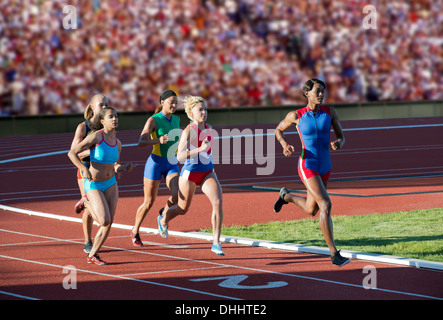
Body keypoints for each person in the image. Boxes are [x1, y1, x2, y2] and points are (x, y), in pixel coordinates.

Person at [273, 78, 350, 267]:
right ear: (307, 93)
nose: (322, 94)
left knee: (311, 209)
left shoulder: (330, 113)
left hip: (325, 165)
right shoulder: (296, 115)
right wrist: (284, 145)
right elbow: (278, 130)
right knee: (325, 204)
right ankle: (334, 254)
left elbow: (341, 136)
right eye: (318, 91)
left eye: (323, 91)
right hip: (307, 164)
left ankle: (286, 197)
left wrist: (339, 143)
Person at [158, 95, 225, 256]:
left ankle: (216, 242)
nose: (204, 112)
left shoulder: (208, 127)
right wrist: (199, 150)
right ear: (191, 112)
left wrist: (205, 153)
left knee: (217, 201)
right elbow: (179, 156)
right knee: (182, 209)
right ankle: (163, 219)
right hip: (189, 174)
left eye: (205, 109)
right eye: (200, 110)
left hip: (208, 171)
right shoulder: (188, 131)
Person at [68, 106, 133, 265]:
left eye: (116, 116)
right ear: (102, 121)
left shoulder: (118, 143)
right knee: (104, 220)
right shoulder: (97, 137)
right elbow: (72, 153)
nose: (115, 119)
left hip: (111, 183)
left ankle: (93, 255)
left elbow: (114, 165)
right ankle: (87, 202)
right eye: (111, 117)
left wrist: (123, 168)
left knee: (109, 223)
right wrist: (83, 168)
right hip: (94, 184)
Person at [131, 90, 180, 247]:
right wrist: (157, 140)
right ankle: (135, 231)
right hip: (155, 163)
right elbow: (140, 142)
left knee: (177, 196)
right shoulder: (153, 120)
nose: (173, 105)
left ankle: (163, 215)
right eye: (170, 102)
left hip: (172, 162)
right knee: (149, 202)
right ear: (162, 102)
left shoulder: (177, 119)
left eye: (175, 102)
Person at [70, 94, 109, 253]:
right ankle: (87, 241)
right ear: (92, 107)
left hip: (102, 172)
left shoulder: (107, 126)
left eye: (107, 104)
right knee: (91, 207)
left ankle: (85, 202)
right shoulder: (83, 127)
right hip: (85, 171)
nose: (105, 108)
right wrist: (92, 150)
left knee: (102, 208)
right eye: (101, 105)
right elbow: (74, 153)